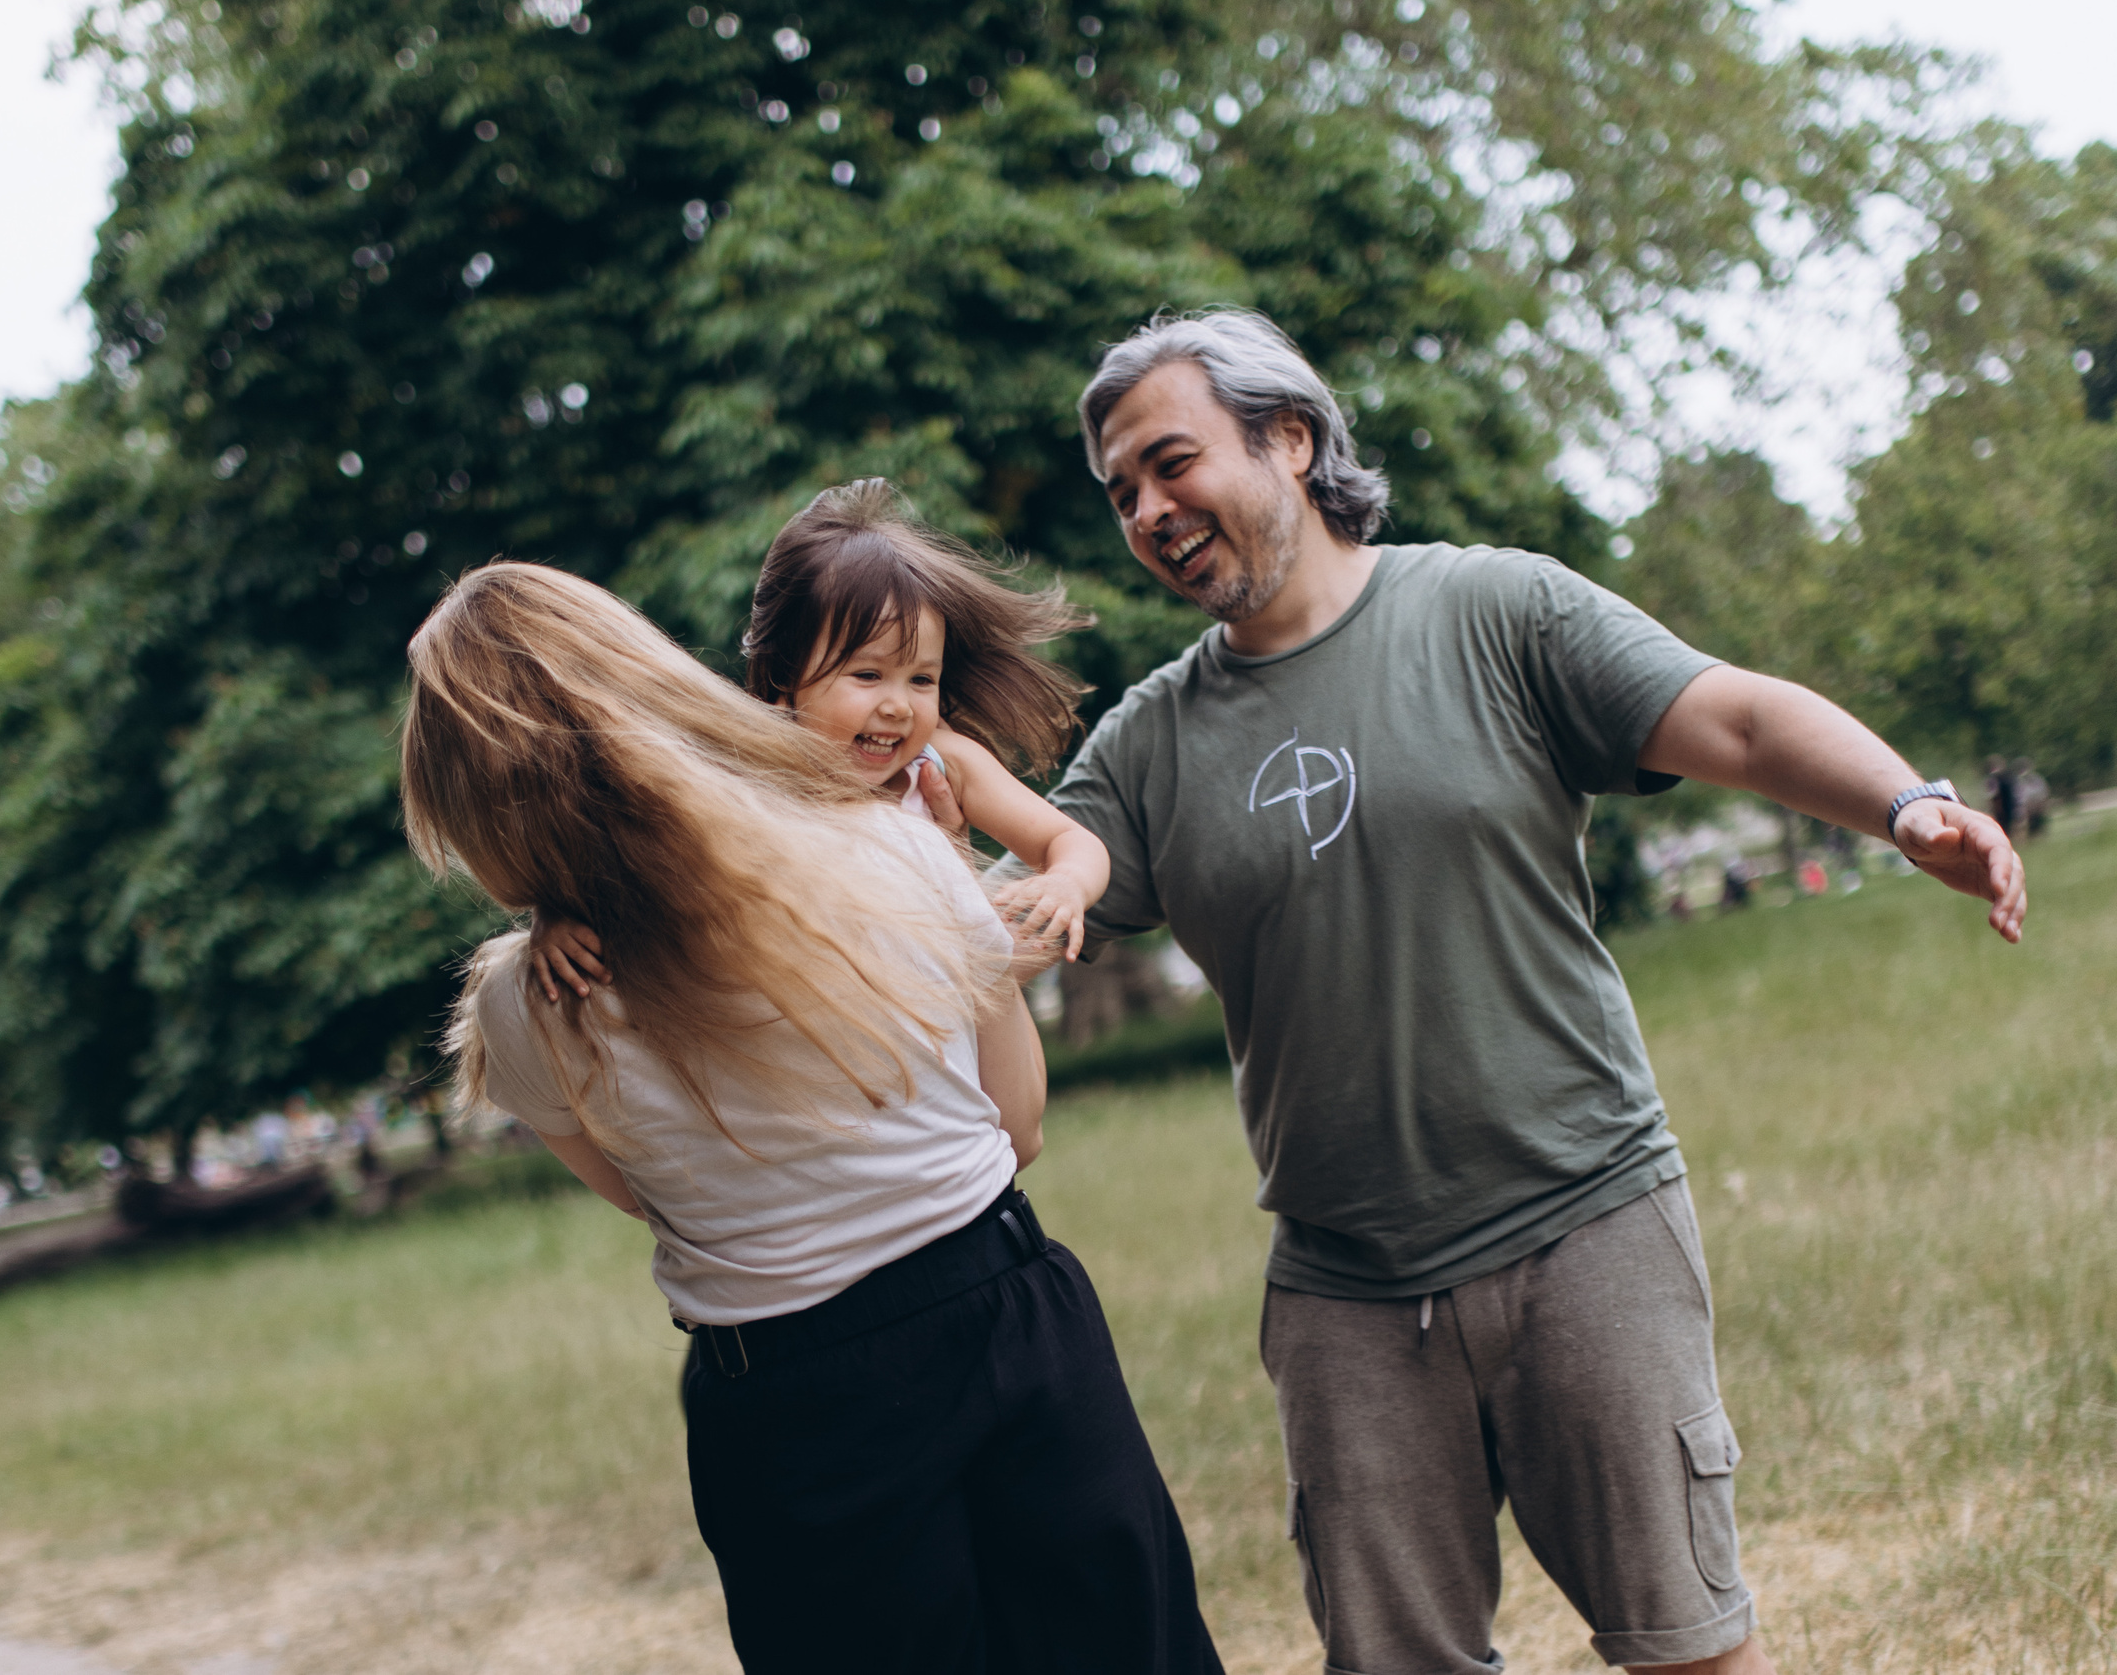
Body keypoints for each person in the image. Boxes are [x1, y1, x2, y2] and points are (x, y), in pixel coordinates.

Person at [945, 308, 2024, 1675]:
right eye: (1122, 495)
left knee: (1688, 1645)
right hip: (1345, 1290)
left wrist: (1909, 804)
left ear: (1288, 438)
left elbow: (1736, 715)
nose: (1149, 512)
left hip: (1586, 1227)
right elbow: (1008, 913)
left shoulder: (1494, 609)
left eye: (1171, 463)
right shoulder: (1148, 746)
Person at [401, 562, 1223, 1675]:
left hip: (788, 1398)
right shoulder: (878, 842)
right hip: (998, 1316)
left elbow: (649, 1201)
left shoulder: (521, 1005)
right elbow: (1013, 1133)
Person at [528, 480, 1111, 1001]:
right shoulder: (753, 768)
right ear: (786, 673)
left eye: (922, 679)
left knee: (1020, 1121)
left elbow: (1070, 840)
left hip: (948, 1013)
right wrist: (554, 914)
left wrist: (1064, 881)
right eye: (866, 674)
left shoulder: (945, 760)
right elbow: (625, 851)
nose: (898, 705)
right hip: (828, 1029)